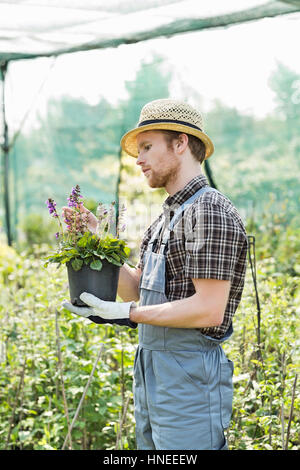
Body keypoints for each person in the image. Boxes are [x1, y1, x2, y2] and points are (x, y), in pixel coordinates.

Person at [62, 99, 248, 450]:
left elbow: (209, 309)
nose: (138, 159)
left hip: (190, 382)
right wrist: (96, 243)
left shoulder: (208, 213)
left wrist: (127, 315)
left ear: (180, 144)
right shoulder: (165, 218)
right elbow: (137, 291)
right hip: (153, 374)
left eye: (147, 147)